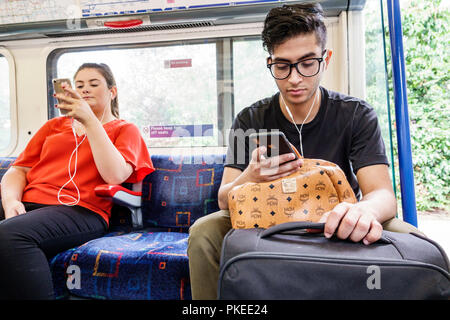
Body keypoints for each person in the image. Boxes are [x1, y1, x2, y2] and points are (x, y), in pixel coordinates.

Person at [187, 3, 422, 300]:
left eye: (307, 63)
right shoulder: (250, 119)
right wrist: (250, 176)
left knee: (415, 240)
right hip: (267, 216)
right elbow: (224, 199)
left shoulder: (355, 114)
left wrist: (362, 211)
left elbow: (383, 194)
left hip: (339, 213)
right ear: (270, 62)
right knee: (203, 232)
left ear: (326, 59)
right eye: (283, 66)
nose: (295, 78)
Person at [0, 63, 154, 299]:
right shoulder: (53, 127)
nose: (85, 90)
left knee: (9, 235)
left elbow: (114, 175)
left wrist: (90, 121)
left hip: (81, 210)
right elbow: (18, 171)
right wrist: (10, 201)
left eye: (94, 84)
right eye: (79, 85)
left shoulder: (125, 129)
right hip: (29, 203)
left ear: (112, 92)